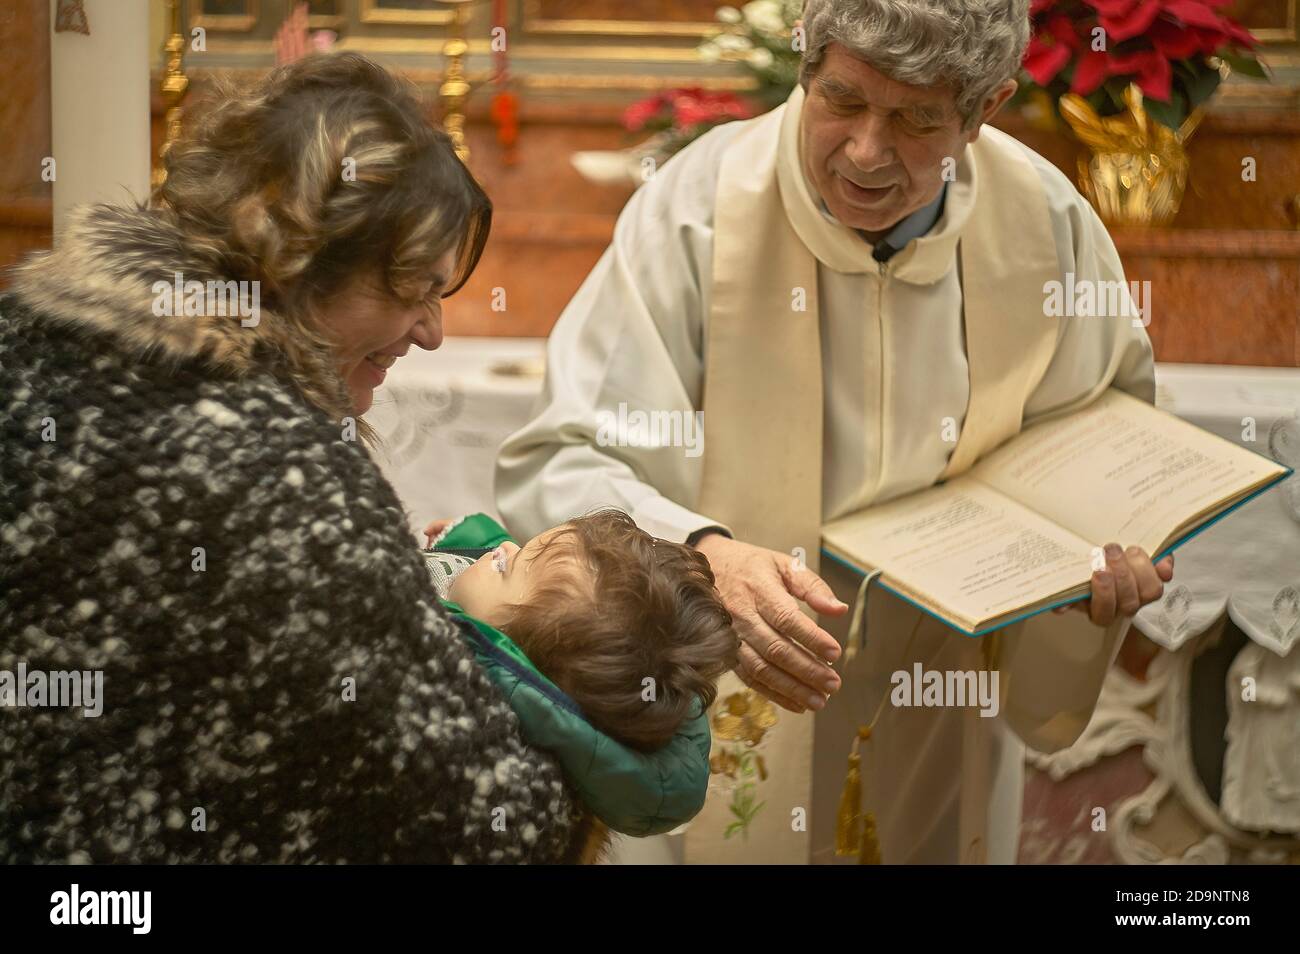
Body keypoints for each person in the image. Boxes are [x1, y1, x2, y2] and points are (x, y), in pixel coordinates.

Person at [496, 0, 1174, 863]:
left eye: (916, 118)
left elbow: (1109, 455)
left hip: (941, 717)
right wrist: (704, 552)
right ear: (805, 64)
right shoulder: (698, 209)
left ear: (985, 109)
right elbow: (561, 457)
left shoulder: (1047, 224)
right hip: (727, 712)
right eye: (842, 100)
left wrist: (1102, 556)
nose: (865, 150)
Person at [0, 53, 581, 863]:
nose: (431, 333)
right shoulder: (283, 472)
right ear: (298, 263)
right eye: (411, 288)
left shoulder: (24, 339)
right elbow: (481, 819)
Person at [421, 509, 738, 848]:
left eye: (503, 567)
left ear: (518, 663)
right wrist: (463, 542)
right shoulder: (513, 628)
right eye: (521, 547)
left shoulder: (444, 688)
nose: (501, 550)